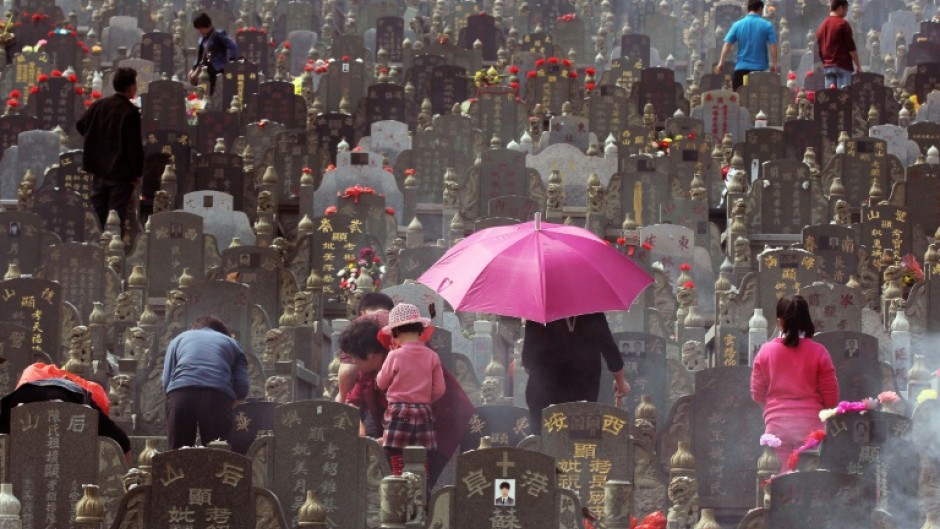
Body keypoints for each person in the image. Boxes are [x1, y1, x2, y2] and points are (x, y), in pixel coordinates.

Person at [338, 309, 473, 487]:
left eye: (355, 357)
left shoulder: (402, 359)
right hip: (412, 423)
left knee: (419, 478)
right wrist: (359, 426)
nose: (354, 363)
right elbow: (353, 400)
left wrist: (388, 437)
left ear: (371, 352)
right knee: (401, 476)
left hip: (441, 423)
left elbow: (421, 398)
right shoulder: (370, 370)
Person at [751, 294, 840, 469]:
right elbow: (831, 397)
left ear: (779, 322)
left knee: (778, 478)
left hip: (776, 424)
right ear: (807, 320)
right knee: (809, 480)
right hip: (811, 424)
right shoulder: (819, 352)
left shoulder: (765, 351)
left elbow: (757, 393)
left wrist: (770, 412)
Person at [522, 313, 631, 434]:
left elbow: (527, 363)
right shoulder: (592, 313)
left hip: (543, 397)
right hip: (582, 396)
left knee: (543, 445)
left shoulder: (540, 313)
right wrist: (621, 384)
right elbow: (611, 352)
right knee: (577, 444)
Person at [0, 362, 131, 463]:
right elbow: (122, 441)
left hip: (23, 398)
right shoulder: (88, 397)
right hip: (69, 400)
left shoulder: (36, 379)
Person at [376, 303, 446, 476]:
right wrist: (425, 401)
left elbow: (381, 383)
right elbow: (440, 389)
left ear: (396, 333)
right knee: (422, 456)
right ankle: (421, 490)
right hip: (424, 411)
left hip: (398, 411)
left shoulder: (395, 355)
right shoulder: (432, 356)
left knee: (397, 453)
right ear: (420, 331)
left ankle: (399, 483)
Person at [162, 315, 249, 449]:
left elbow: (167, 380)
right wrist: (232, 404)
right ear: (222, 333)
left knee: (177, 456)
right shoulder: (232, 343)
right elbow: (242, 386)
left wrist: (173, 403)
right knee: (217, 454)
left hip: (181, 394)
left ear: (194, 328)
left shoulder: (179, 339)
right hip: (217, 397)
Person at [75, 66, 143, 234]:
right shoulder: (130, 112)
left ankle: (97, 252)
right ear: (131, 87)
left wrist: (95, 140)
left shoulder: (98, 106)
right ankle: (112, 254)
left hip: (99, 171)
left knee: (98, 217)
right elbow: (134, 147)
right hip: (121, 175)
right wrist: (137, 173)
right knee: (115, 220)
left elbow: (80, 125)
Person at [336, 292, 395, 406]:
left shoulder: (362, 324)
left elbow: (347, 372)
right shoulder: (409, 326)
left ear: (362, 313)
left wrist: (342, 399)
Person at [716, 0, 779, 91]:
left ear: (747, 9)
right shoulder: (767, 25)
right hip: (760, 70)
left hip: (741, 69)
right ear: (760, 9)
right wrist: (774, 63)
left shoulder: (737, 25)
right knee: (759, 101)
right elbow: (773, 45)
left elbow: (727, 44)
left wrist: (721, 62)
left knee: (740, 99)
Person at [816, 0, 862, 89]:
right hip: (842, 67)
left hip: (828, 68)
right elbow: (851, 48)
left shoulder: (822, 26)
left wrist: (825, 63)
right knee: (843, 98)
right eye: (846, 10)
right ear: (840, 8)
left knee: (830, 98)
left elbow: (820, 49)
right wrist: (858, 66)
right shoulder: (843, 24)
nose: (846, 13)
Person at [190, 12, 238, 94]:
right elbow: (200, 56)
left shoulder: (218, 34)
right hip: (205, 69)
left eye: (201, 28)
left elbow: (233, 46)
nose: (200, 31)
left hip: (217, 68)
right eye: (199, 28)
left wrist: (232, 60)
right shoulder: (202, 39)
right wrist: (193, 68)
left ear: (207, 25)